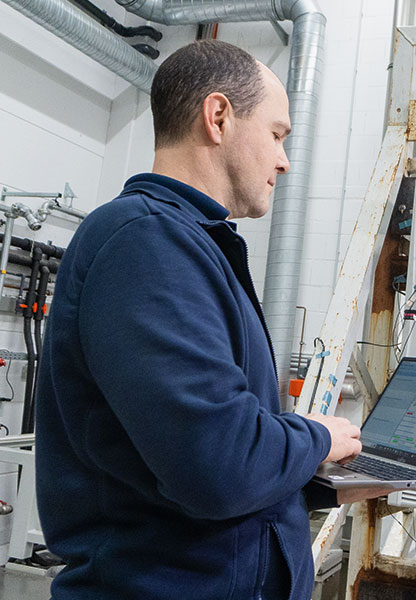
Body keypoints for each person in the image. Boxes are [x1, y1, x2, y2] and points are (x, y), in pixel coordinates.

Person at [35, 40, 385, 599]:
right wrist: (315, 438)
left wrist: (313, 482)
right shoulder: (144, 243)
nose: (283, 160)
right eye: (276, 134)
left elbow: (190, 464)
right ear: (218, 116)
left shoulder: (190, 245)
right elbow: (218, 464)